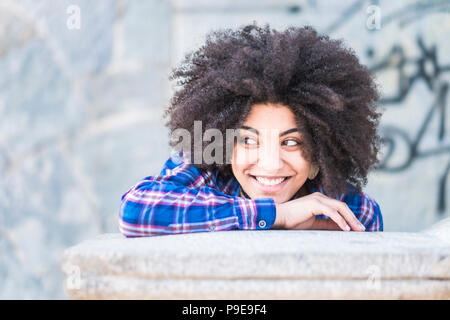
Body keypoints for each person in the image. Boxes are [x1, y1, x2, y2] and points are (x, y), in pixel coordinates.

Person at [118, 23, 383, 237]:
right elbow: (136, 212)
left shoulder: (332, 201)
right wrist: (278, 216)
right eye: (248, 140)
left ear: (318, 152)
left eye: (291, 142)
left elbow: (367, 216)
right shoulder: (207, 171)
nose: (270, 164)